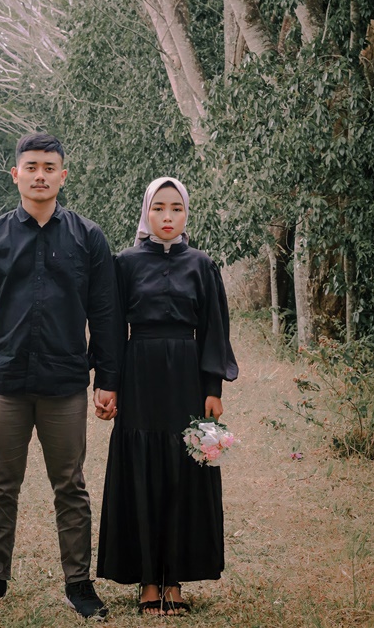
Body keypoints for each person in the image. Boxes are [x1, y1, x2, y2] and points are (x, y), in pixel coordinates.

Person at [0, 132, 118, 619]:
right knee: (1, 483)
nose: (40, 175)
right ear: (16, 174)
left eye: (50, 167)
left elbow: (105, 313)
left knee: (70, 485)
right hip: (5, 382)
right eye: (32, 167)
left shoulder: (88, 238)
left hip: (64, 384)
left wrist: (107, 379)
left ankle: (79, 584)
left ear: (63, 175)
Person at [97, 177, 238, 615]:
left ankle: (174, 580)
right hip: (139, 374)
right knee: (141, 471)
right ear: (146, 212)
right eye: (158, 207)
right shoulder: (124, 263)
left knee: (184, 470)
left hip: (187, 378)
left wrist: (213, 389)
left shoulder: (202, 264)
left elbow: (214, 328)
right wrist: (108, 382)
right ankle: (146, 582)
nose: (167, 216)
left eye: (176, 208)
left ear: (186, 214)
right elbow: (111, 328)